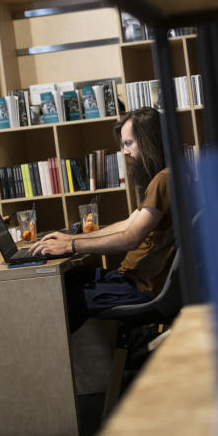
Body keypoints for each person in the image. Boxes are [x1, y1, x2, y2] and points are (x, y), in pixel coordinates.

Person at [31, 106, 175, 332]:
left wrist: (70, 245)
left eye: (129, 143)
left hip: (139, 287)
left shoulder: (165, 180)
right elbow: (128, 223)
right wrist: (73, 237)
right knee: (62, 283)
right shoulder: (166, 176)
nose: (125, 152)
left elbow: (130, 238)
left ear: (150, 141)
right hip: (130, 279)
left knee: (59, 300)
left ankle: (70, 365)